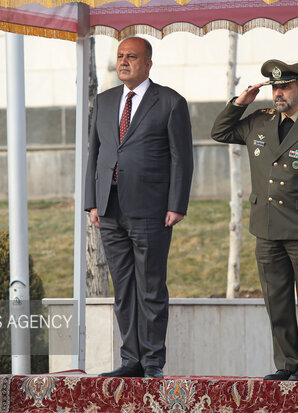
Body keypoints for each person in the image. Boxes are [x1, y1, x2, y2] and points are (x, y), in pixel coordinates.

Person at [211, 59, 298, 381]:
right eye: (275, 88)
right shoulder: (259, 121)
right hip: (267, 226)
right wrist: (239, 103)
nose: (278, 94)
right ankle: (286, 363)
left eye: (285, 87)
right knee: (277, 301)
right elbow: (219, 132)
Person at [84, 37, 194, 379]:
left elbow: (182, 158)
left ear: (148, 63)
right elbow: (96, 154)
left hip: (152, 210)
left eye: (131, 56)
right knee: (124, 289)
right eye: (120, 56)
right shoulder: (103, 102)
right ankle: (130, 359)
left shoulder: (170, 102)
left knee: (150, 287)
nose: (124, 61)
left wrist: (176, 204)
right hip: (110, 208)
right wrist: (91, 202)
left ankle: (152, 362)